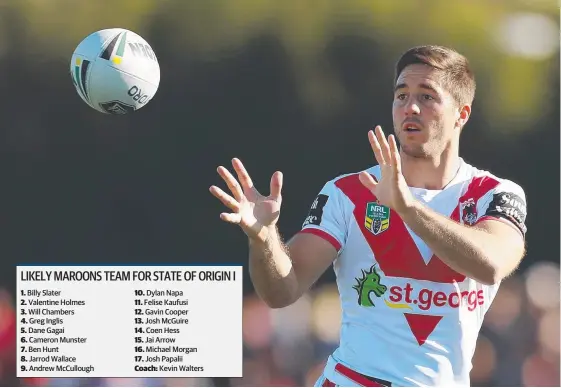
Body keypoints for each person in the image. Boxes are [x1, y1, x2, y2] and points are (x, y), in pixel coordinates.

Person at [209, 45, 528, 387]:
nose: (411, 107)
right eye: (401, 95)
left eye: (427, 96)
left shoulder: (493, 194)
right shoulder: (348, 192)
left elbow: (491, 263)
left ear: (461, 114)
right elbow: (281, 292)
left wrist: (408, 208)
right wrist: (264, 239)